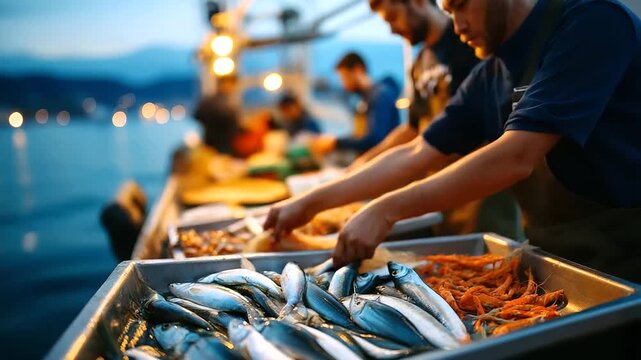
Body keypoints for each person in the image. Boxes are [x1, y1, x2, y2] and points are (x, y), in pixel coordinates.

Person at [265, 0, 641, 283]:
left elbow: (517, 155)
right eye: (447, 8)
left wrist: (385, 210)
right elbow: (415, 152)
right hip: (551, 260)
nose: (456, 25)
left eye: (461, 5)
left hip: (625, 259)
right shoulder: (489, 75)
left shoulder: (592, 24)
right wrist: (309, 203)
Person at [353, 0, 479, 167]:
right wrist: (362, 164)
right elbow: (412, 129)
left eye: (393, 17)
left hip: (469, 173)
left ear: (418, 2)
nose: (392, 30)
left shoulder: (470, 44)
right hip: (436, 177)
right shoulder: (418, 64)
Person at [332, 52, 401, 153]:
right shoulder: (365, 99)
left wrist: (335, 143)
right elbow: (361, 135)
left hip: (384, 163)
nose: (344, 85)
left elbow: (375, 139)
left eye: (344, 77)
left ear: (358, 70)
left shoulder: (381, 96)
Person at [193, 75, 241, 155]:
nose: (233, 89)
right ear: (222, 84)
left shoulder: (227, 102)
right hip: (219, 144)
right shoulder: (216, 102)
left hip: (219, 143)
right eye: (231, 84)